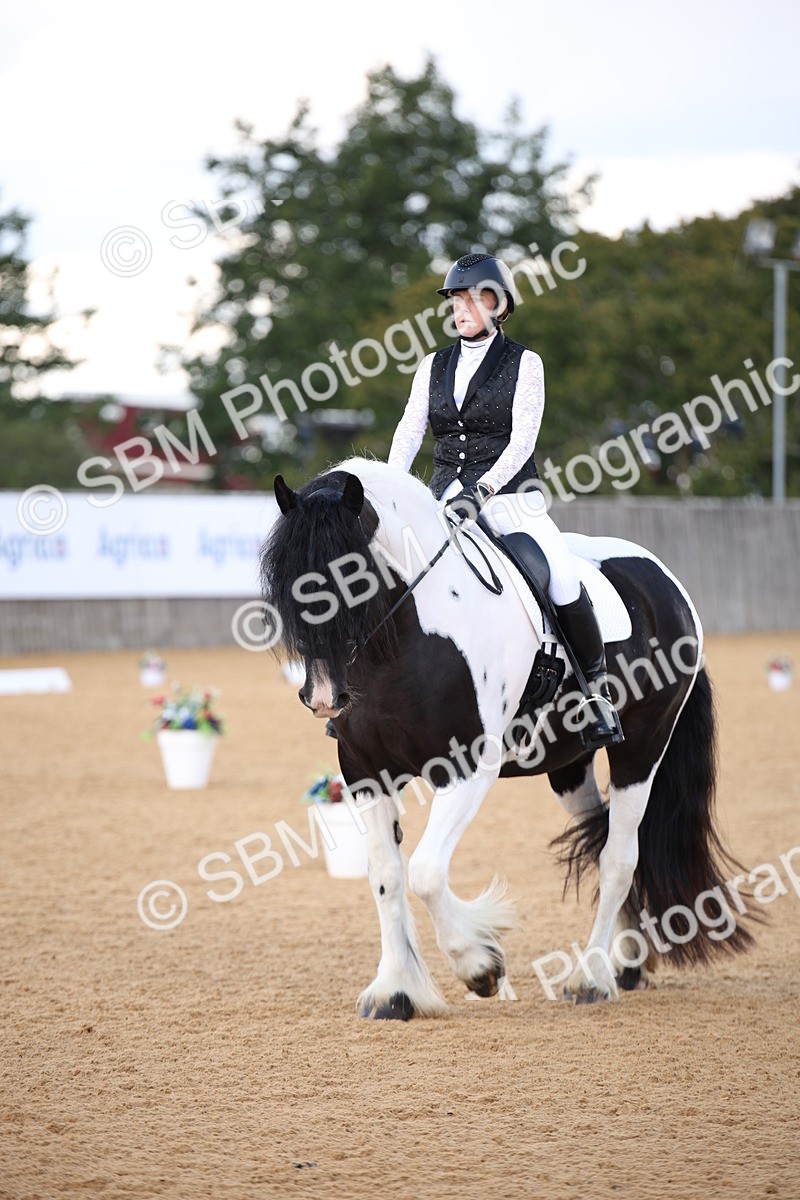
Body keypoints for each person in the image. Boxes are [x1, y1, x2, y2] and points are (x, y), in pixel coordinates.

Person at [388, 252, 623, 751]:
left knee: (558, 572)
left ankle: (593, 691)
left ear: (499, 305)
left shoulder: (525, 363)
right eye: (457, 298)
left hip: (508, 496)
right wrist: (392, 487)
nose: (463, 307)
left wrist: (483, 491)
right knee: (391, 572)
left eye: (475, 297)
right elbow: (411, 430)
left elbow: (523, 440)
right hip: (441, 496)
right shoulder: (433, 365)